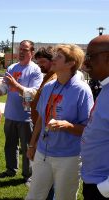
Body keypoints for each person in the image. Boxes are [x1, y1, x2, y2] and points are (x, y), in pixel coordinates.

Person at [25, 44, 94, 200]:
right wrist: (32, 144)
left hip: (69, 157)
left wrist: (67, 126)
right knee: (34, 195)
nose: (53, 59)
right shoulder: (48, 87)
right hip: (43, 152)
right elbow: (41, 118)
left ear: (71, 63)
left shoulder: (82, 90)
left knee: (65, 197)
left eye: (58, 57)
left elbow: (88, 128)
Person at [0, 40, 43, 186]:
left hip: (26, 117)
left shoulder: (35, 70)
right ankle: (11, 169)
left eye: (25, 49)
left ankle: (28, 175)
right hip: (10, 114)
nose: (21, 52)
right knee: (10, 145)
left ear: (32, 52)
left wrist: (16, 85)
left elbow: (34, 94)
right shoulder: (12, 67)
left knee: (27, 146)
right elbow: (5, 87)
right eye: (20, 49)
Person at [81, 35, 109, 200]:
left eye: (90, 56)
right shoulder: (104, 87)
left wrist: (104, 189)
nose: (85, 63)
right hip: (93, 180)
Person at [31, 46, 57, 199]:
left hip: (47, 132)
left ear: (52, 61)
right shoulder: (48, 77)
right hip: (41, 129)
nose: (40, 65)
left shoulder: (53, 79)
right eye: (38, 62)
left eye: (42, 62)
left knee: (48, 173)